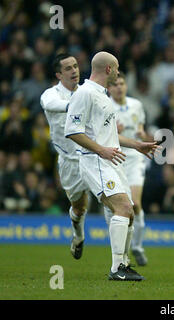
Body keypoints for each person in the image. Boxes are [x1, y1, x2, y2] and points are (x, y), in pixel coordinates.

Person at [64, 51, 159, 281]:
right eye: (116, 68)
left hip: (110, 160)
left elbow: (110, 138)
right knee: (124, 208)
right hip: (96, 161)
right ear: (108, 69)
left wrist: (136, 145)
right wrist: (101, 150)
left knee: (130, 213)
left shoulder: (102, 96)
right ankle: (117, 269)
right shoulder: (84, 94)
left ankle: (123, 264)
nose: (117, 72)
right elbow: (72, 131)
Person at [40, 53, 89, 260]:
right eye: (68, 68)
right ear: (59, 74)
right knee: (79, 208)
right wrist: (75, 106)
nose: (74, 71)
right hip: (70, 163)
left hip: (94, 155)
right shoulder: (50, 95)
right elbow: (51, 105)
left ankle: (120, 261)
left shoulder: (88, 92)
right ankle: (78, 236)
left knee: (114, 203)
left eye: (76, 66)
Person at [108, 72, 148, 266]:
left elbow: (141, 129)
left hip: (135, 158)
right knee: (123, 207)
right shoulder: (106, 107)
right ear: (109, 88)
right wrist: (113, 132)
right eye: (115, 84)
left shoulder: (136, 105)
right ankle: (123, 252)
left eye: (122, 83)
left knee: (136, 204)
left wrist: (142, 132)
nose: (119, 87)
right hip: (115, 158)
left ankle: (137, 246)